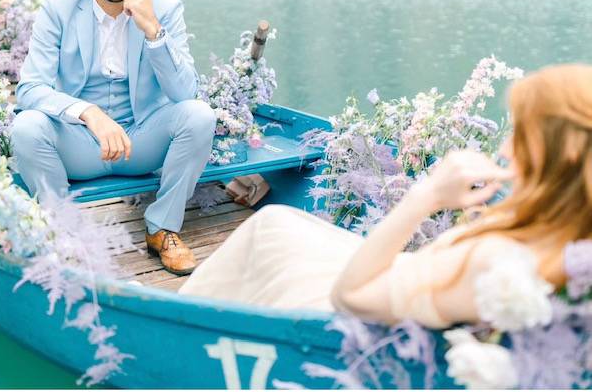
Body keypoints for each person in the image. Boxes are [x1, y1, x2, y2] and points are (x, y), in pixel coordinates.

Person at [181, 64, 590, 327]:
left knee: (267, 232)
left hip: (348, 317)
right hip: (409, 280)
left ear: (559, 152)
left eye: (520, 133)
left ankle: (181, 329)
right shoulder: (569, 235)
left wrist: (427, 196)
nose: (504, 148)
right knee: (276, 223)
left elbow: (351, 296)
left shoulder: (496, 265)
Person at [12, 0, 216, 276]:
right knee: (27, 127)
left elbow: (185, 93)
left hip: (141, 143)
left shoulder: (165, 8)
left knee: (200, 115)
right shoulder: (57, 10)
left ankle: (163, 229)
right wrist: (89, 113)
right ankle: (64, 231)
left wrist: (153, 30)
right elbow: (30, 88)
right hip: (81, 145)